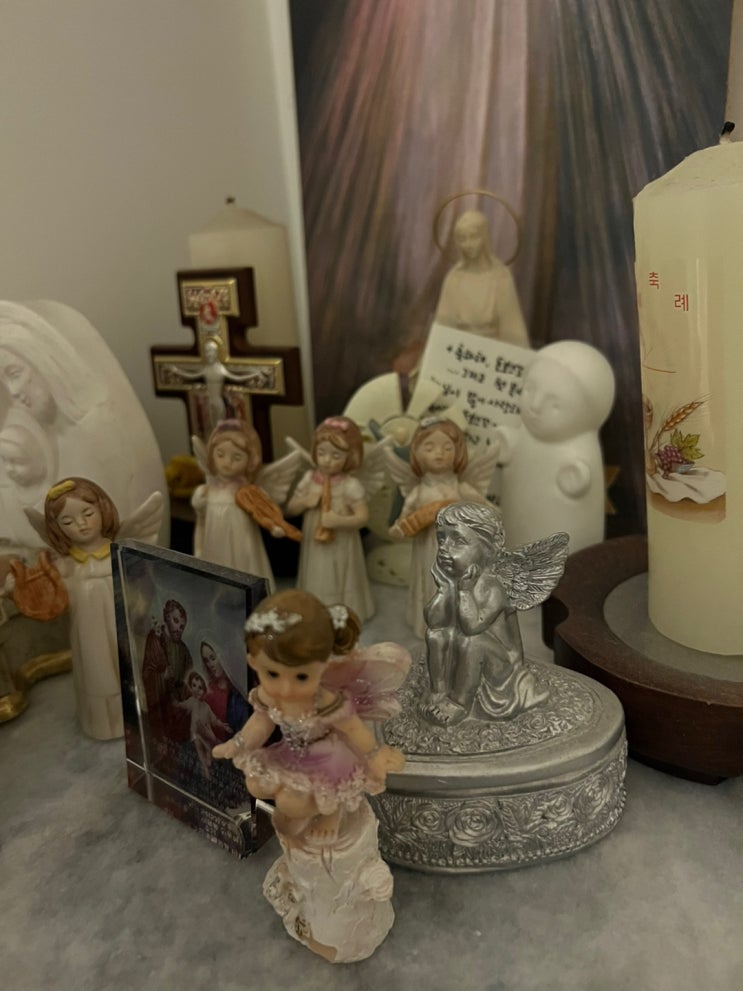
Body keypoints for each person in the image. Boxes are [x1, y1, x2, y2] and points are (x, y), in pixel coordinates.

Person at [212, 588, 408, 844]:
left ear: (323, 667)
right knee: (256, 784)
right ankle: (299, 809)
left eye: (302, 677)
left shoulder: (325, 701)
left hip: (327, 757)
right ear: (254, 662)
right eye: (272, 674)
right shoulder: (269, 696)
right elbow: (260, 723)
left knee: (293, 801)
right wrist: (238, 743)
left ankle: (330, 816)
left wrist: (374, 754)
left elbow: (353, 728)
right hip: (292, 752)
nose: (286, 689)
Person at [5, 476, 163, 739]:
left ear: (103, 509)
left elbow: (141, 583)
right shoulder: (67, 564)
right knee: (97, 675)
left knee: (127, 666)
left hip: (120, 628)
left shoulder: (119, 552)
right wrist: (16, 588)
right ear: (56, 528)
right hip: (88, 636)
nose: (81, 524)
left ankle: (133, 716)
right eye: (67, 521)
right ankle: (102, 722)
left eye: (88, 514)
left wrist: (141, 606)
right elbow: (43, 591)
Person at [423, 501, 567, 725]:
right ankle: (438, 692)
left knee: (472, 642)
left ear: (486, 549)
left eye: (458, 541)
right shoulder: (454, 579)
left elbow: (472, 627)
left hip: (502, 666)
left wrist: (464, 591)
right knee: (435, 636)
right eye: (441, 539)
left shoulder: (493, 587)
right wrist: (443, 589)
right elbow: (434, 620)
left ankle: (459, 704)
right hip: (467, 653)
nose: (444, 548)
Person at [387, 418, 490, 637]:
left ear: (458, 452)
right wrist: (398, 529)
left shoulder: (462, 488)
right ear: (416, 453)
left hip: (458, 551)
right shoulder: (418, 492)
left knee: (456, 585)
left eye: (447, 448)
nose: (439, 454)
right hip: (428, 548)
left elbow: (487, 513)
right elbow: (403, 522)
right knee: (432, 583)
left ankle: (457, 622)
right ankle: (430, 623)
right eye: (429, 447)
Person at [191, 419, 299, 592]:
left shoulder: (250, 493)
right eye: (220, 455)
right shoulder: (205, 493)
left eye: (237, 457)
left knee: (246, 579)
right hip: (215, 550)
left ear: (250, 461)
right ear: (211, 455)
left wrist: (274, 527)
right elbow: (201, 522)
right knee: (218, 586)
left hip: (243, 551)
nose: (227, 462)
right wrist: (198, 550)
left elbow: (265, 513)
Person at [286, 416, 374, 622]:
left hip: (342, 540)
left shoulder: (350, 485)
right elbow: (290, 509)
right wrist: (305, 501)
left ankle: (343, 609)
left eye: (336, 455)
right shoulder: (309, 479)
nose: (327, 460)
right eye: (321, 453)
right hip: (314, 538)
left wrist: (339, 521)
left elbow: (362, 517)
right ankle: (315, 608)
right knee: (317, 571)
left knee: (340, 572)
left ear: (350, 457)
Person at [434, 210, 529, 346]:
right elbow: (443, 328)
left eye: (474, 237)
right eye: (462, 239)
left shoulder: (500, 277)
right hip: (459, 350)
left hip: (492, 350)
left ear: (484, 237)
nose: (468, 244)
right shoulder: (454, 278)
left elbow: (512, 329)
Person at [142, 598, 194, 743]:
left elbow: (188, 679)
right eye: (175, 621)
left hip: (178, 705)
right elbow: (147, 673)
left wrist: (187, 697)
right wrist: (162, 676)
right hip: (160, 706)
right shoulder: (155, 639)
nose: (179, 628)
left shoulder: (184, 650)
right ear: (166, 617)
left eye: (182, 626)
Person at [175, 669, 231, 778]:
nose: (196, 690)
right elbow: (183, 705)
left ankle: (209, 757)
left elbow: (214, 720)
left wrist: (223, 726)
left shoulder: (206, 707)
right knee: (198, 743)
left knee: (209, 743)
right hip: (196, 734)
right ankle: (205, 767)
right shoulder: (192, 702)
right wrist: (177, 704)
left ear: (205, 691)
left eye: (200, 688)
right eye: (194, 686)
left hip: (207, 733)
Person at [201, 638, 250, 737]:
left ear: (223, 655)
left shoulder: (238, 687)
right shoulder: (207, 693)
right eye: (206, 661)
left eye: (213, 658)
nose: (210, 665)